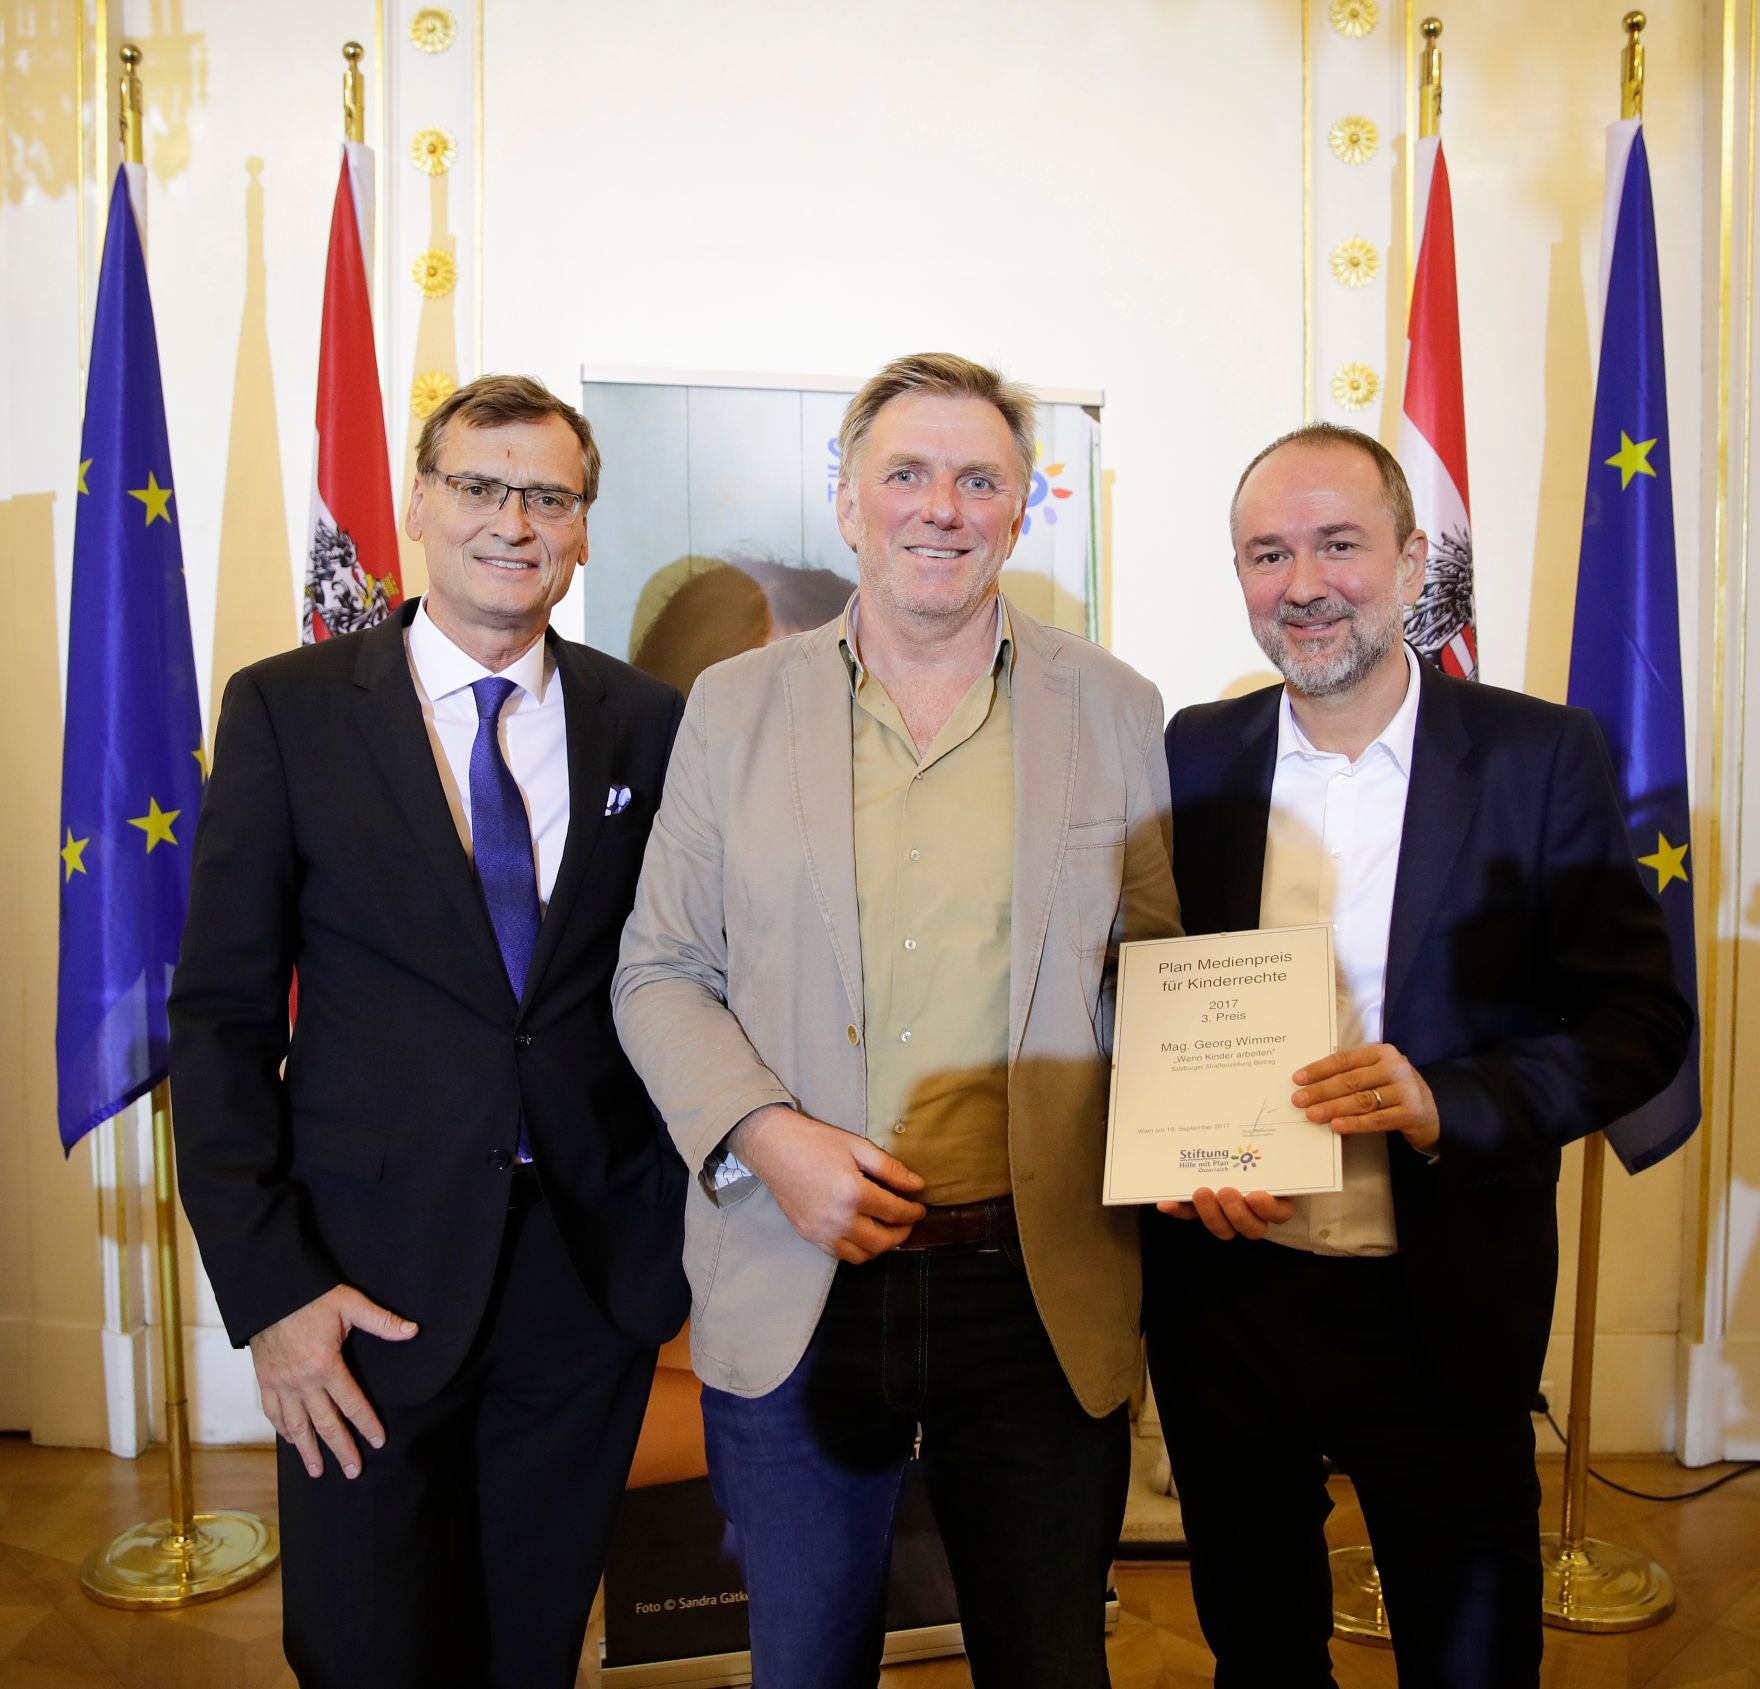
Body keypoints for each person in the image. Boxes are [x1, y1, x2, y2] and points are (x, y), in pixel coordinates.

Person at [613, 351, 1178, 1689]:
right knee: (806, 1665)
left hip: (1036, 1287)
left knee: (1050, 1662)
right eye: (906, 473)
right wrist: (768, 1136)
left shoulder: (1114, 707)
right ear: (846, 501)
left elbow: (1155, 968)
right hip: (796, 1267)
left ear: (1021, 509)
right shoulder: (732, 708)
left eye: (979, 479)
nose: (941, 507)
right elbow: (659, 970)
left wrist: (1213, 1128)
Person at [1144, 422, 1693, 1688]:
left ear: (1406, 561)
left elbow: (1638, 1023)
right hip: (1227, 1293)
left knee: (1469, 1656)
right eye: (1266, 554)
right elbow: (1138, 988)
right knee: (1256, 1652)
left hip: (1439, 1296)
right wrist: (1173, 1151)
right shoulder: (1189, 752)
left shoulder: (1536, 756)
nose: (1301, 584)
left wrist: (1449, 1101)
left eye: (1336, 544)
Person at [169, 375, 687, 1688]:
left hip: (586, 1281)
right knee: (365, 1646)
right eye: (479, 486)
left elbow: (684, 979)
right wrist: (272, 1292)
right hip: (362, 1286)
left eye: (548, 496)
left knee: (530, 1645)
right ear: (418, 502)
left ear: (581, 528)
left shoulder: (649, 722)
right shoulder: (288, 711)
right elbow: (221, 1022)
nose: (513, 521)